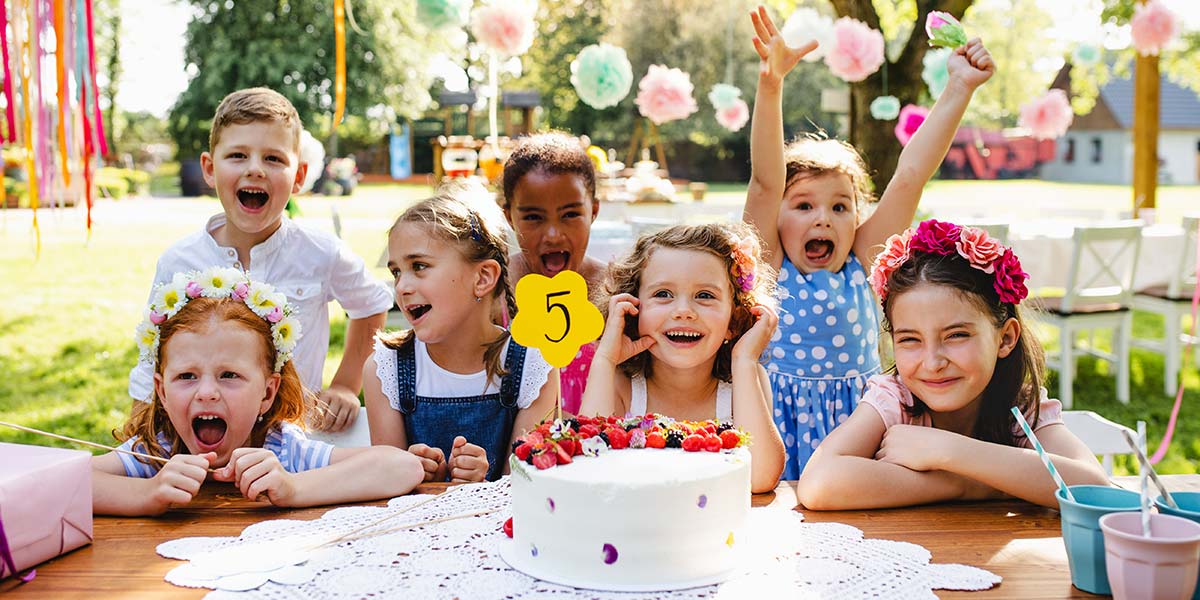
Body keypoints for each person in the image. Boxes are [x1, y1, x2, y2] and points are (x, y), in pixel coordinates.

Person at [744, 6, 996, 477]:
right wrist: (771, 83)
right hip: (778, 432)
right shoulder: (770, 265)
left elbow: (910, 176)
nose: (824, 218)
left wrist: (959, 86)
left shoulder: (862, 261)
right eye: (803, 205)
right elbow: (763, 182)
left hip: (861, 429)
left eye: (840, 207)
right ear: (777, 214)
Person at [127, 88, 391, 433]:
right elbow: (152, 361)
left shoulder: (321, 252)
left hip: (295, 441)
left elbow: (372, 304)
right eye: (237, 155)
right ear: (209, 168)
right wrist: (139, 437)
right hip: (206, 438)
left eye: (273, 159)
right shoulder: (180, 261)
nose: (255, 170)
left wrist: (345, 383)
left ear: (298, 176)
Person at [797, 221, 1109, 509]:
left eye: (957, 335)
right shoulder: (894, 400)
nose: (932, 363)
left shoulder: (1020, 405)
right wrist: (968, 485)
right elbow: (819, 483)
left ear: (1005, 339)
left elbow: (1095, 489)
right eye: (910, 340)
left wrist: (948, 450)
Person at [93, 270, 423, 516]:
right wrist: (146, 493)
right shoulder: (156, 451)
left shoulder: (283, 452)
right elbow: (64, 483)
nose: (206, 392)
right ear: (161, 392)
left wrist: (292, 488)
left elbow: (402, 467)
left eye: (229, 375)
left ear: (267, 393)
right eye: (187, 376)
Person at [364, 186, 559, 483]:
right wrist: (418, 476)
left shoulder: (533, 365)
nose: (402, 286)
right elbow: (385, 489)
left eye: (419, 266)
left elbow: (527, 487)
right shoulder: (386, 367)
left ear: (482, 278)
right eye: (396, 272)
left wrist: (482, 482)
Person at [579, 223, 785, 493]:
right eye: (663, 294)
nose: (683, 311)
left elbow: (759, 479)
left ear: (734, 318)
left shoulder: (745, 379)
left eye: (705, 295)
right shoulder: (622, 383)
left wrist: (745, 360)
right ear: (633, 308)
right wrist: (605, 359)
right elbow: (585, 466)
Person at [501, 132, 608, 414]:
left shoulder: (613, 289)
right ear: (509, 216)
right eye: (533, 217)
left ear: (593, 211)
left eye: (570, 215)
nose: (553, 235)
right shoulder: (494, 292)